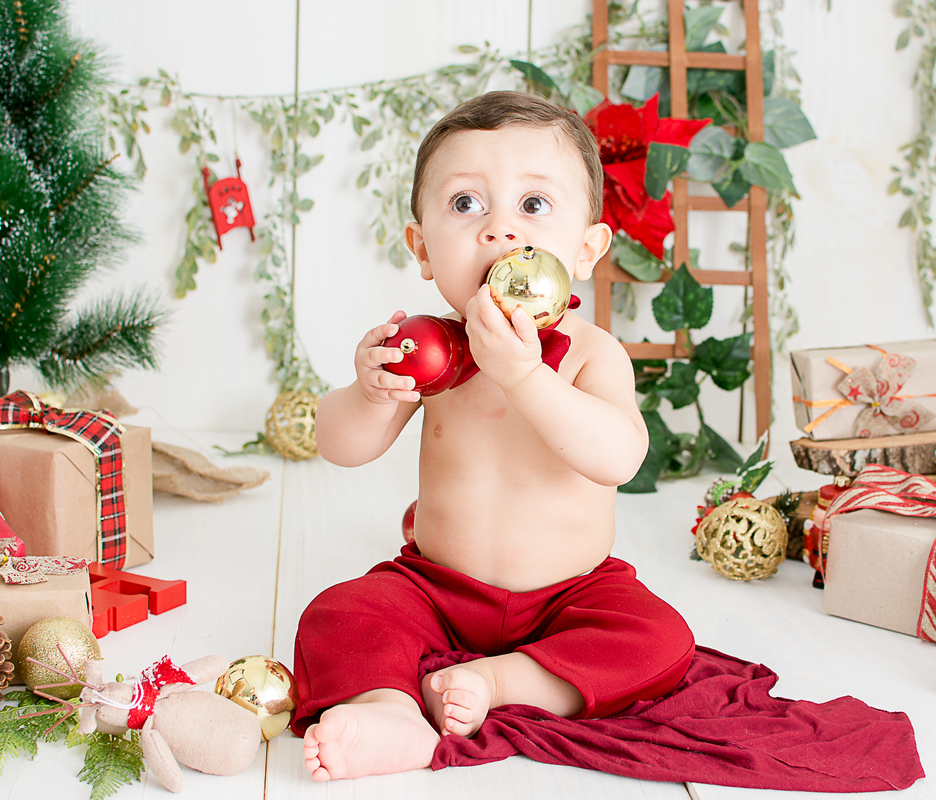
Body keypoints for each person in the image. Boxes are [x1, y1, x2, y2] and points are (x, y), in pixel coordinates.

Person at [296, 90, 695, 781]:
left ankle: (507, 682)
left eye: (534, 205)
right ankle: (391, 712)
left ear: (586, 249)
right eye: (465, 204)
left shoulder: (590, 354)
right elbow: (341, 447)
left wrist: (525, 378)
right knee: (340, 612)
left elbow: (619, 457)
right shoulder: (432, 350)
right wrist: (368, 392)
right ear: (422, 248)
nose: (499, 231)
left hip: (572, 591)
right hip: (438, 586)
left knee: (661, 640)